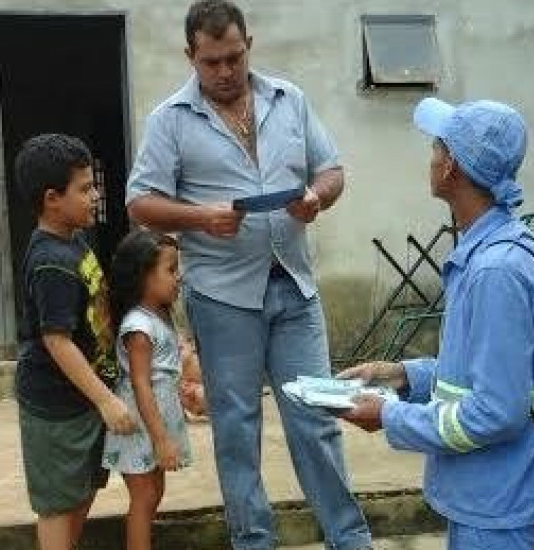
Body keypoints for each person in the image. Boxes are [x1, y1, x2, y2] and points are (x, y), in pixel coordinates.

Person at [124, 2, 373, 549]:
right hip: (222, 297)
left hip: (295, 286)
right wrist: (200, 217)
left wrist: (315, 197)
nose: (225, 71)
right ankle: (254, 543)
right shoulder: (170, 120)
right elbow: (139, 203)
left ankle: (349, 541)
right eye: (211, 62)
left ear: (248, 45)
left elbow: (332, 170)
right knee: (238, 431)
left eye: (233, 57)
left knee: (319, 417)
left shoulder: (290, 100)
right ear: (191, 56)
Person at [339, 98, 534, 550]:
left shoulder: (495, 271)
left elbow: (496, 410)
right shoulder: (488, 252)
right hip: (485, 500)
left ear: (451, 166)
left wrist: (390, 416)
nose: (431, 157)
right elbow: (477, 372)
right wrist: (399, 375)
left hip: (497, 509)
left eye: (437, 146)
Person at [13, 133, 136, 550]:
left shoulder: (73, 241)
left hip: (80, 399)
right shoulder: (52, 262)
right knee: (56, 505)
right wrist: (105, 399)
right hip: (55, 407)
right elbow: (57, 340)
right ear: (52, 198)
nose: (95, 195)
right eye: (85, 189)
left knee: (81, 490)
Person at [102, 229, 193, 550]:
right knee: (144, 498)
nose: (177, 277)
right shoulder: (138, 327)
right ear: (143, 275)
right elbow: (141, 385)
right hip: (142, 427)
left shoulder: (159, 316)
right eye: (170, 270)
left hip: (157, 423)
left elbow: (167, 372)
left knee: (154, 494)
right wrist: (160, 439)